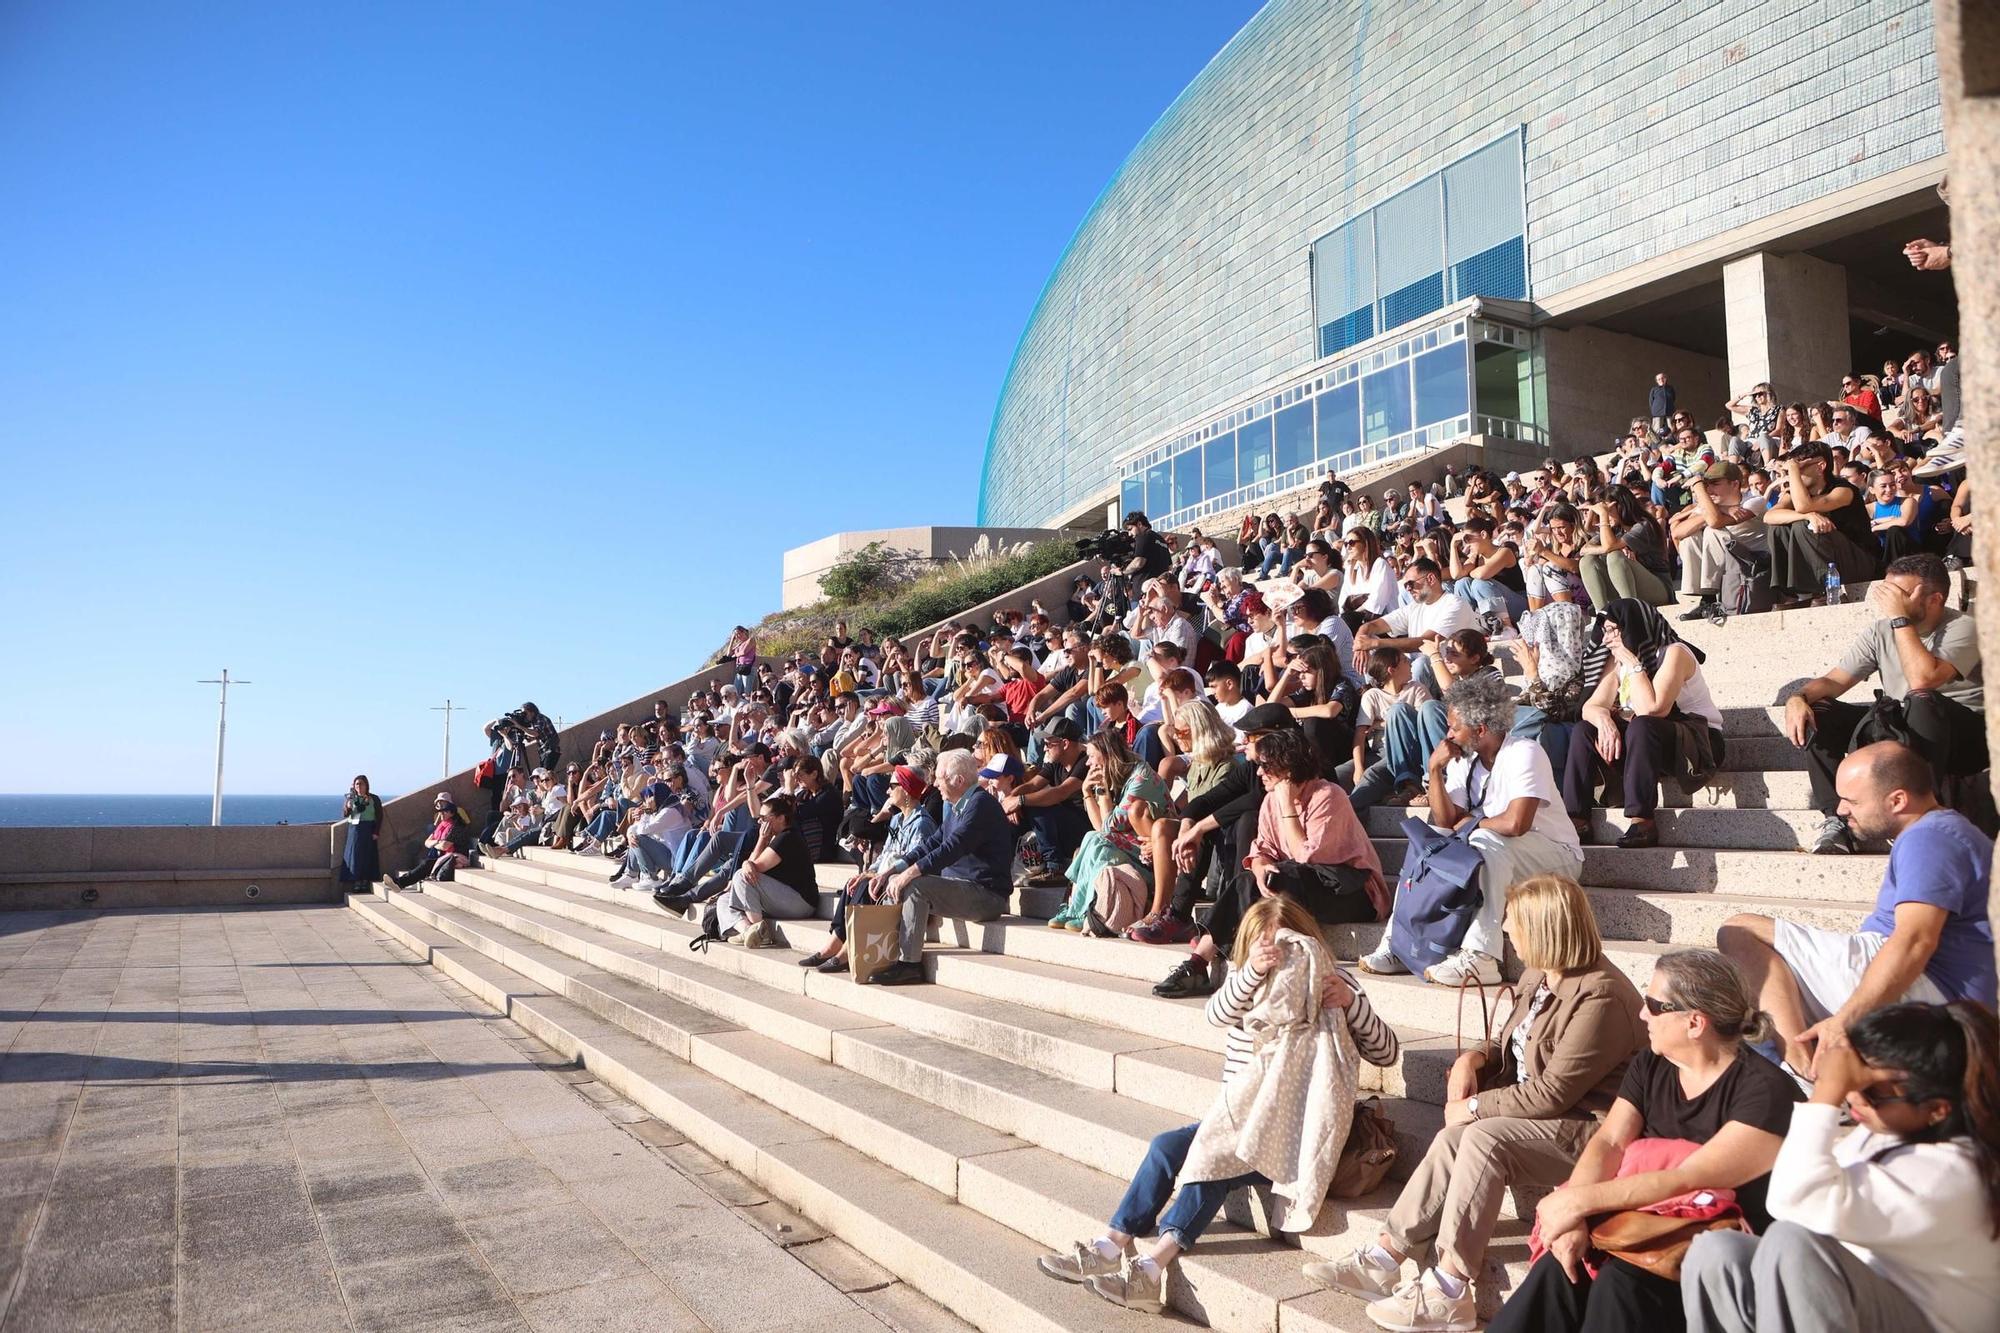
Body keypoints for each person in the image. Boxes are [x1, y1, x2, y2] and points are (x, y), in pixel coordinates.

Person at [1311, 876, 1645, 1332]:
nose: (1505, 929)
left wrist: (1474, 1108)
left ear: (1544, 928)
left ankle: (1450, 1288)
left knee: (1483, 1136)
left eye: (1513, 921)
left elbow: (1553, 1093)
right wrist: (1475, 1058)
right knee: (1455, 1138)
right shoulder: (1539, 975)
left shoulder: (1602, 995)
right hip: (1541, 1115)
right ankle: (1385, 1257)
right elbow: (1510, 1043)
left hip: (1588, 1128)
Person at [1038, 895, 1400, 1315]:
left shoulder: (1333, 983)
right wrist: (1252, 974)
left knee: (1212, 1166)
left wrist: (1351, 1004)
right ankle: (1110, 1245)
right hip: (1235, 1118)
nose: (1278, 953)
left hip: (1293, 1134)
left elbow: (1387, 1052)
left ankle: (1152, 1268)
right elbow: (1215, 1014)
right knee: (1166, 1146)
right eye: (1266, 945)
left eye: (1287, 942)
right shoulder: (1246, 981)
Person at [1483, 949, 1800, 1333]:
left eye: (1653, 1005)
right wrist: (1574, 1219)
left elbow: (1691, 1178)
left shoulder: (1765, 1091)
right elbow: (1610, 1142)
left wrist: (1576, 1201)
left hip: (1718, 1252)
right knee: (1561, 1266)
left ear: (1695, 1022)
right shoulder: (1653, 1062)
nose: (1642, 1014)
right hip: (1640, 1227)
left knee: (1620, 1283)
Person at [1682, 1000, 2000, 1333]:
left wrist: (1827, 1092)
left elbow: (1792, 1202)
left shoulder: (1951, 1173)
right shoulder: (1884, 1135)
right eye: (1853, 1079)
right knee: (1718, 1251)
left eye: (1874, 1092)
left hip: (1927, 1321)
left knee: (1794, 1244)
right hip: (1858, 1303)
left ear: (1937, 1109)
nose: (1855, 1097)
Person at [1717, 740, 1994, 1083]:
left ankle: (1801, 1073)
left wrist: (1844, 1021)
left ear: (1897, 800)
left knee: (1739, 931)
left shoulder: (1931, 838)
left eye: (1852, 801)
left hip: (1936, 996)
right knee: (1761, 990)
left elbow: (1914, 942)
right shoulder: (1935, 832)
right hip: (1925, 990)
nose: (1841, 810)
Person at [1361, 674, 1585, 988]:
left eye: (1454, 728)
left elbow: (1516, 823)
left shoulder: (1524, 753)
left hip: (1557, 856)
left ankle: (1482, 957)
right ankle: (1399, 943)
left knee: (1482, 839)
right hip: (1499, 852)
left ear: (1480, 730)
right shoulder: (1464, 761)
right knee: (1426, 843)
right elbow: (1445, 821)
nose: (1448, 735)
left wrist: (1471, 823)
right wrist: (1434, 770)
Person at [1152, 717, 1383, 998]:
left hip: (1355, 891)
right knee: (1255, 879)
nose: (1259, 772)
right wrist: (1260, 867)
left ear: (1288, 766)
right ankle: (1198, 962)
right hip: (1299, 882)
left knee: (1283, 876)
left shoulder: (1329, 796)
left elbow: (1306, 856)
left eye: (1266, 765)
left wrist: (1287, 807)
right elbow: (1261, 849)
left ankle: (1242, 963)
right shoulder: (1271, 799)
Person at [1780, 553, 1985, 852]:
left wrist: (1900, 619)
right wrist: (1798, 698)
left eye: (1899, 593)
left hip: (1962, 738)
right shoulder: (1881, 631)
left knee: (1922, 699)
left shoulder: (1964, 627)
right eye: (1887, 590)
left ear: (1934, 599)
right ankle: (1838, 820)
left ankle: (1921, 816)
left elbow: (1923, 679)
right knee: (1820, 711)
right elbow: (1835, 681)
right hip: (1906, 729)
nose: (1888, 600)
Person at [1561, 600, 1725, 849]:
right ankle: (1577, 820)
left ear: (1634, 627)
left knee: (1642, 724)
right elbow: (1590, 707)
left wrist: (1633, 662)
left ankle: (1642, 821)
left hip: (1699, 743)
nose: (1607, 639)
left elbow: (1653, 709)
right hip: (1651, 745)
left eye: (1613, 630)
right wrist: (1604, 720)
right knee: (1585, 730)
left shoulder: (1675, 653)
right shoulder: (1617, 662)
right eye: (1604, 631)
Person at [870, 750, 1015, 986]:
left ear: (959, 780)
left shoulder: (980, 805)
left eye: (939, 778)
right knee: (895, 882)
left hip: (987, 895)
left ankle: (909, 965)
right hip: (962, 886)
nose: (935, 784)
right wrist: (892, 871)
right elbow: (933, 843)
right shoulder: (960, 805)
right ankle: (877, 954)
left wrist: (909, 873)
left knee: (915, 886)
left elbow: (953, 847)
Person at [801, 766, 939, 974]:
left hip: (904, 885)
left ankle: (847, 950)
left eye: (892, 786)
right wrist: (869, 871)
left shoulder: (921, 824)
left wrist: (876, 875)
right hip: (886, 878)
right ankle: (835, 942)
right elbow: (885, 855)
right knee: (853, 883)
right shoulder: (897, 819)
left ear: (906, 790)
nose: (887, 791)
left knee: (866, 885)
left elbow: (913, 863)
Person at [1049, 730, 1169, 933]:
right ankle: (1075, 907)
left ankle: (1078, 909)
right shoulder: (1118, 775)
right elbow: (1101, 829)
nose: (1087, 763)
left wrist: (1101, 792)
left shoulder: (1141, 778)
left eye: (1091, 756)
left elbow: (1107, 827)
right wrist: (1087, 793)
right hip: (1133, 847)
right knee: (1092, 839)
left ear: (1106, 755)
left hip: (1153, 856)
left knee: (1096, 842)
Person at [690, 793, 818, 950]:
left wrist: (759, 845)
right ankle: (748, 930)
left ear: (781, 818)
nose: (759, 821)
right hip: (781, 899)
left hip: (801, 902)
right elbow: (751, 865)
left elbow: (754, 868)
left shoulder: (788, 837)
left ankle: (760, 932)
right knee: (724, 900)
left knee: (741, 876)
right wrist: (754, 852)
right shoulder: (775, 837)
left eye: (764, 818)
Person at [1762, 441, 1878, 606]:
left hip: (1859, 561)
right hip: (1832, 559)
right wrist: (1808, 516)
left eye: (1799, 468)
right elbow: (1769, 516)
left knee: (1804, 526)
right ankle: (1794, 594)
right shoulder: (1797, 492)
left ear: (1820, 466)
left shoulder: (1843, 489)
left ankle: (1826, 591)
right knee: (1779, 528)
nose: (1793, 476)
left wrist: (1793, 471)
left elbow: (1804, 506)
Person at [1352, 558, 1481, 694]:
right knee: (1374, 653)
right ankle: (1380, 697)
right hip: (1417, 671)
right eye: (1405, 586)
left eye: (1411, 584)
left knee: (1422, 663)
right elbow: (1372, 625)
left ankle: (1407, 703)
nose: (1408, 589)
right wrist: (1361, 642)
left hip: (1447, 673)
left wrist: (1375, 643)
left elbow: (1425, 642)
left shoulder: (1455, 604)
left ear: (1431, 579)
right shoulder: (1415, 607)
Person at [1669, 464, 1768, 621]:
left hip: (1753, 563)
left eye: (1715, 484)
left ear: (1734, 484)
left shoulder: (1754, 501)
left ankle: (1709, 598)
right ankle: (1706, 599)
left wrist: (1698, 486)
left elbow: (1715, 522)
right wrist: (1722, 509)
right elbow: (1677, 532)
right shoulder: (1711, 508)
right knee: (1691, 538)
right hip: (1726, 564)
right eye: (1706, 485)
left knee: (1712, 531)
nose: (1709, 490)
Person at [1579, 484, 1674, 608]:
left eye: (1609, 511)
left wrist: (1603, 516)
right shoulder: (1615, 528)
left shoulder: (1643, 525)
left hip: (1659, 587)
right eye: (1604, 512)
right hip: (1628, 585)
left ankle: (1630, 611)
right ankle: (1602, 613)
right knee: (1587, 561)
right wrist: (1610, 548)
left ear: (1621, 507)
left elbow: (1609, 547)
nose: (1607, 516)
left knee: (1615, 556)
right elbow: (1584, 550)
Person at [387, 792, 472, 890]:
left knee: (426, 864)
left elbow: (445, 846)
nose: (441, 814)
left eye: (444, 811)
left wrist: (436, 842)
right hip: (444, 856)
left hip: (456, 858)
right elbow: (427, 842)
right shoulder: (442, 825)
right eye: (440, 811)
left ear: (452, 812)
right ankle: (399, 883)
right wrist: (437, 842)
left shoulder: (457, 826)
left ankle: (399, 883)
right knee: (426, 864)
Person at [337, 775, 384, 891]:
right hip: (355, 829)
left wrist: (376, 832)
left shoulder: (374, 799)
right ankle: (356, 881)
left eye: (361, 783)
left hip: (369, 828)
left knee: (368, 855)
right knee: (355, 856)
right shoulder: (352, 798)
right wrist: (348, 806)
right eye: (357, 784)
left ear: (366, 785)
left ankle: (365, 880)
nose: (359, 786)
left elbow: (379, 816)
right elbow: (346, 814)